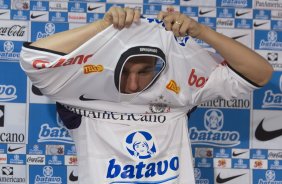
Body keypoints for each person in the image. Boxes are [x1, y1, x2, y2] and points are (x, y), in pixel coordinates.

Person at [20, 6, 273, 184]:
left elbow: (260, 73)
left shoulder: (177, 93)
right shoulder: (82, 94)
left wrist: (202, 32)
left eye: (144, 72)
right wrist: (101, 27)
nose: (132, 84)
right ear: (112, 65)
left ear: (161, 68)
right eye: (125, 71)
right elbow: (32, 59)